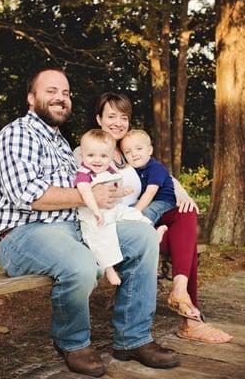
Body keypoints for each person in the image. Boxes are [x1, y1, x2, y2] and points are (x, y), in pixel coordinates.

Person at [0, 67, 181, 378]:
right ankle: (73, 342)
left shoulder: (60, 142)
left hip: (73, 228)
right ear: (31, 98)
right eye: (51, 91)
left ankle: (133, 338)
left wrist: (110, 194)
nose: (61, 98)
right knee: (81, 263)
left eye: (66, 93)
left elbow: (89, 188)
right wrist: (89, 195)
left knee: (142, 236)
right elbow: (29, 196)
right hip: (23, 236)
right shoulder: (17, 134)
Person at [94, 91, 232, 344]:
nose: (117, 122)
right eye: (111, 116)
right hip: (115, 232)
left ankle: (180, 292)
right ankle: (192, 320)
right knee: (186, 247)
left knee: (185, 215)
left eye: (123, 117)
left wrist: (183, 194)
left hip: (145, 228)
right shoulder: (89, 151)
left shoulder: (129, 151)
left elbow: (162, 178)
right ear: (99, 119)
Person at [75, 128, 163, 286]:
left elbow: (112, 190)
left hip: (112, 208)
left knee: (132, 213)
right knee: (101, 235)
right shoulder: (83, 174)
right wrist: (96, 211)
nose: (97, 160)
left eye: (103, 156)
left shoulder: (108, 169)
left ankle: (152, 229)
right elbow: (85, 193)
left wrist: (123, 192)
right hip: (92, 213)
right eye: (91, 155)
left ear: (110, 157)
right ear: (82, 155)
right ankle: (109, 268)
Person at [120, 129, 176, 225]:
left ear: (149, 150)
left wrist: (135, 211)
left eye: (139, 149)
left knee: (146, 213)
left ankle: (155, 233)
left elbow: (150, 192)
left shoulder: (156, 168)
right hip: (148, 201)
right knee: (126, 209)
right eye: (128, 152)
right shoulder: (134, 170)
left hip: (163, 202)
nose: (134, 154)